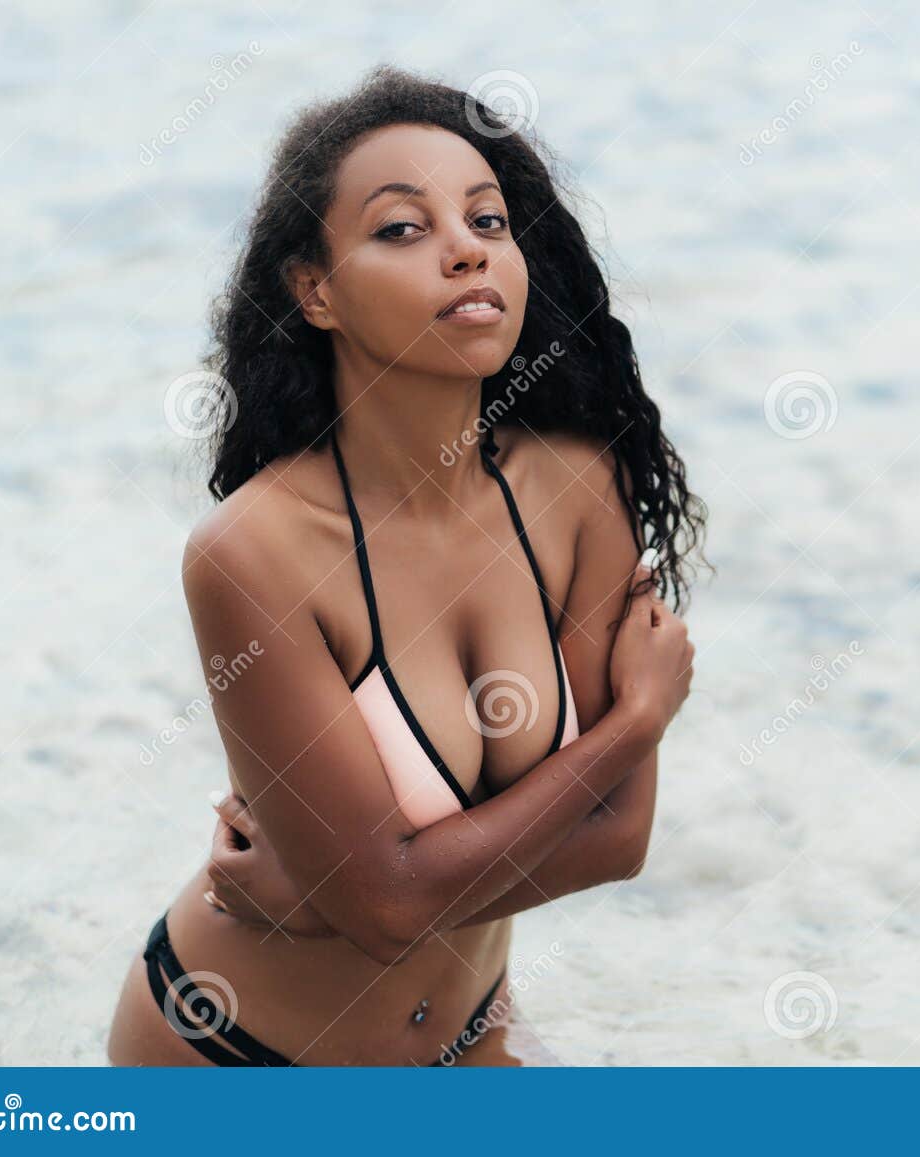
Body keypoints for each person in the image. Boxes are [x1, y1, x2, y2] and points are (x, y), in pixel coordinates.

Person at [106, 66, 706, 1067]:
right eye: (401, 229)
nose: (466, 249)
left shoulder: (571, 488)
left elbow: (619, 838)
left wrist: (362, 890)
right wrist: (633, 722)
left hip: (472, 1043)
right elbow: (390, 903)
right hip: (241, 1061)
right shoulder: (255, 552)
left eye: (487, 221)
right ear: (317, 290)